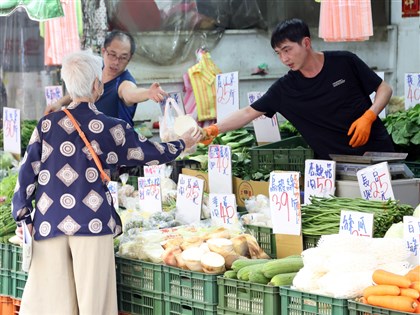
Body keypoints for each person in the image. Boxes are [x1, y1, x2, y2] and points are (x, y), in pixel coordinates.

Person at [12, 50, 201, 315]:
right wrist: (183, 143)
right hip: (92, 222)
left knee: (52, 307)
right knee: (94, 304)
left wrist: (23, 218)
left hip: (49, 221)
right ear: (95, 86)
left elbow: (25, 177)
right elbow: (149, 153)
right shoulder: (111, 126)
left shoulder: (46, 126)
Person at [202, 18, 395, 160]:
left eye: (287, 50)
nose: (284, 59)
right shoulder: (285, 89)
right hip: (335, 167)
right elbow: (248, 112)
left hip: (377, 154)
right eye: (278, 53)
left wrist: (369, 117)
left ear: (306, 43)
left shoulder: (344, 62)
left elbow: (384, 89)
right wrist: (214, 129)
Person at [46, 30, 166, 127]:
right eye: (112, 55)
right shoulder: (95, 71)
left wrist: (148, 93)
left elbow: (130, 93)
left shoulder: (124, 82)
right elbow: (81, 90)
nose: (116, 62)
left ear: (130, 58)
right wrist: (59, 103)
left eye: (123, 57)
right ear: (104, 51)